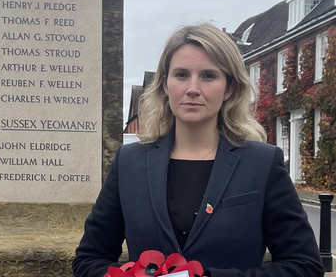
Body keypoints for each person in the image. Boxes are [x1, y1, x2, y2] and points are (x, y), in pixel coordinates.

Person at [73, 24, 323, 277]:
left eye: (208, 76)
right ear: (164, 85)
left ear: (229, 89)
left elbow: (304, 266)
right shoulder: (129, 163)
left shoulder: (261, 163)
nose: (192, 88)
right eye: (181, 75)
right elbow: (89, 260)